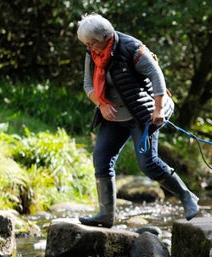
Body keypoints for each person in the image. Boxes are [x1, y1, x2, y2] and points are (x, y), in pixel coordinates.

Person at [76, 13, 199, 228]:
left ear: (106, 36)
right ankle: (106, 215)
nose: (90, 48)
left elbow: (157, 76)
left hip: (143, 114)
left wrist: (159, 109)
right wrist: (102, 105)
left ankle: (188, 197)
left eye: (92, 43)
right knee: (101, 158)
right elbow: (88, 85)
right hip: (113, 116)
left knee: (147, 163)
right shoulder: (92, 54)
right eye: (86, 44)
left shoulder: (131, 48)